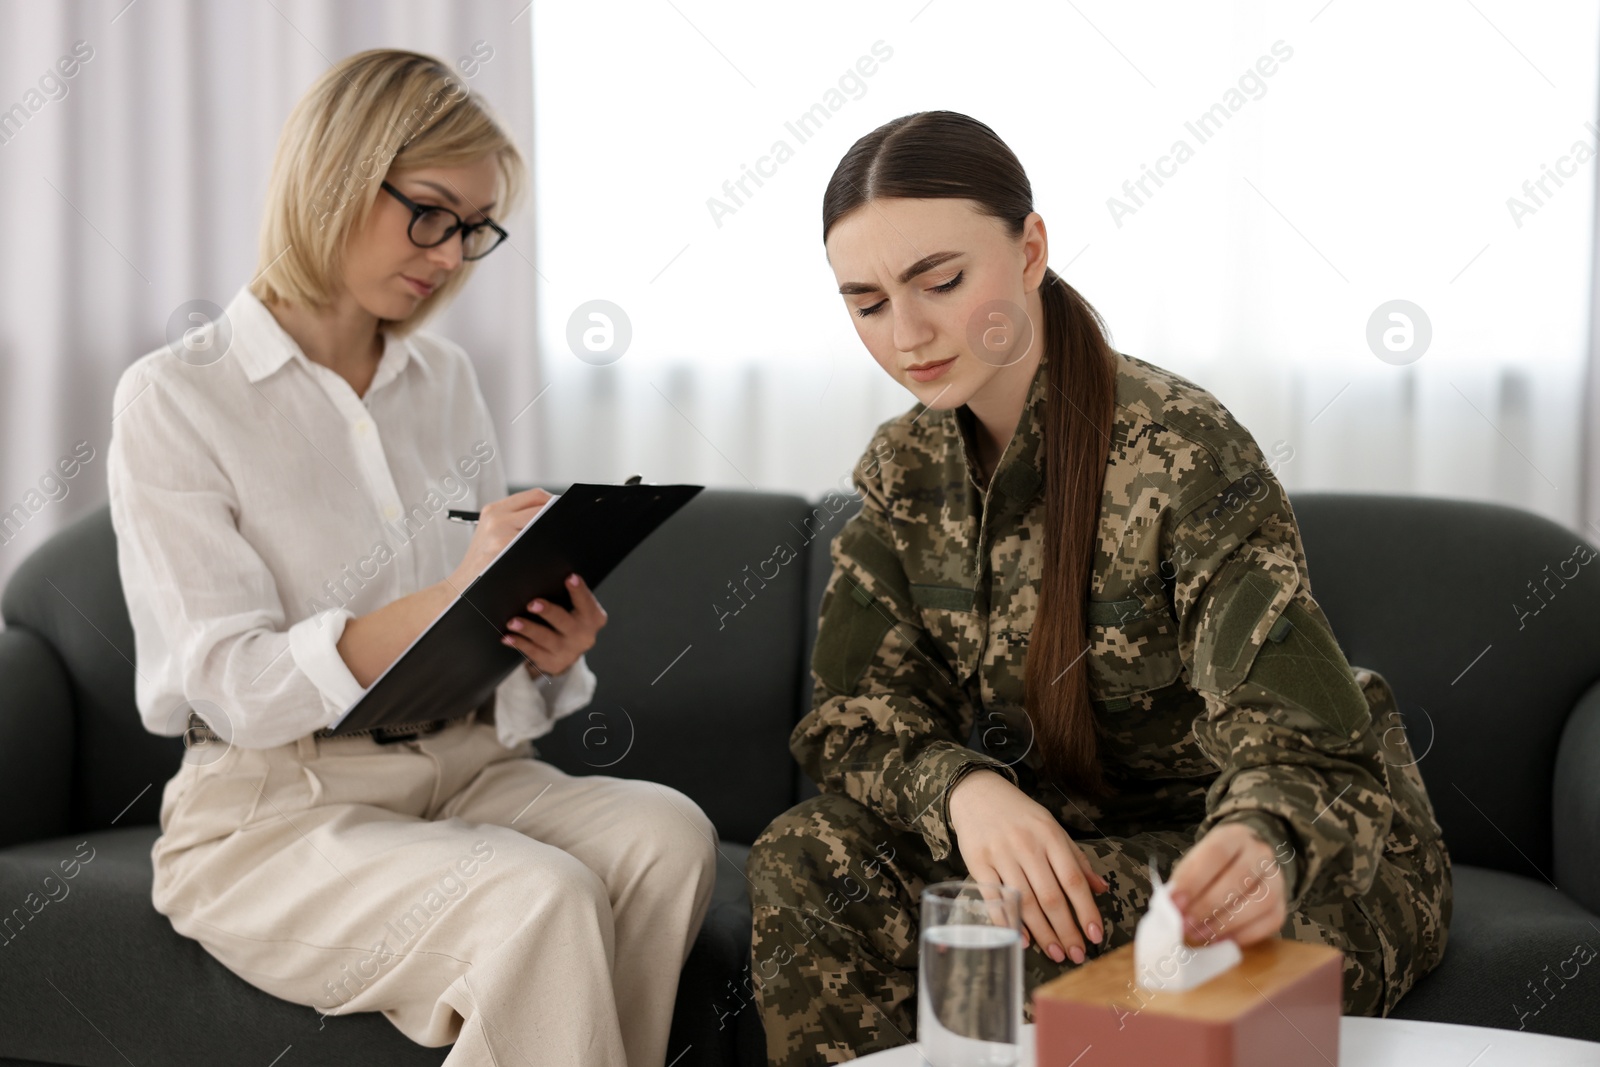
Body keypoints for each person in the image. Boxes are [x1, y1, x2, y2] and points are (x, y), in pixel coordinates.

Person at [744, 110, 1451, 1064]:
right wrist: (965, 792)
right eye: (867, 303)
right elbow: (851, 720)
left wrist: (1260, 838)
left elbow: (1311, 751)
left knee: (1135, 962)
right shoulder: (902, 474)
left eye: (941, 281)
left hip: (1270, 863)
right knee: (805, 859)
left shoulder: (1182, 451)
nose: (906, 334)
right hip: (1066, 861)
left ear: (1030, 248)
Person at [107, 49, 717, 1067]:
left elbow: (481, 652)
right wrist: (454, 590)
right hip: (275, 813)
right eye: (429, 212)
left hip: (464, 765)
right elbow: (232, 684)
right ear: (336, 173)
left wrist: (541, 647)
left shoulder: (443, 379)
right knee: (538, 894)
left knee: (667, 831)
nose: (449, 252)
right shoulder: (176, 397)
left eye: (476, 229)